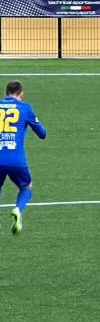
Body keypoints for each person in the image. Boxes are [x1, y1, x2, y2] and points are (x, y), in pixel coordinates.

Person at [0, 80, 46, 236]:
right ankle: (18, 209)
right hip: (16, 160)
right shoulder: (25, 108)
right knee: (27, 186)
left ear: (5, 93)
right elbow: (42, 134)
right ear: (21, 94)